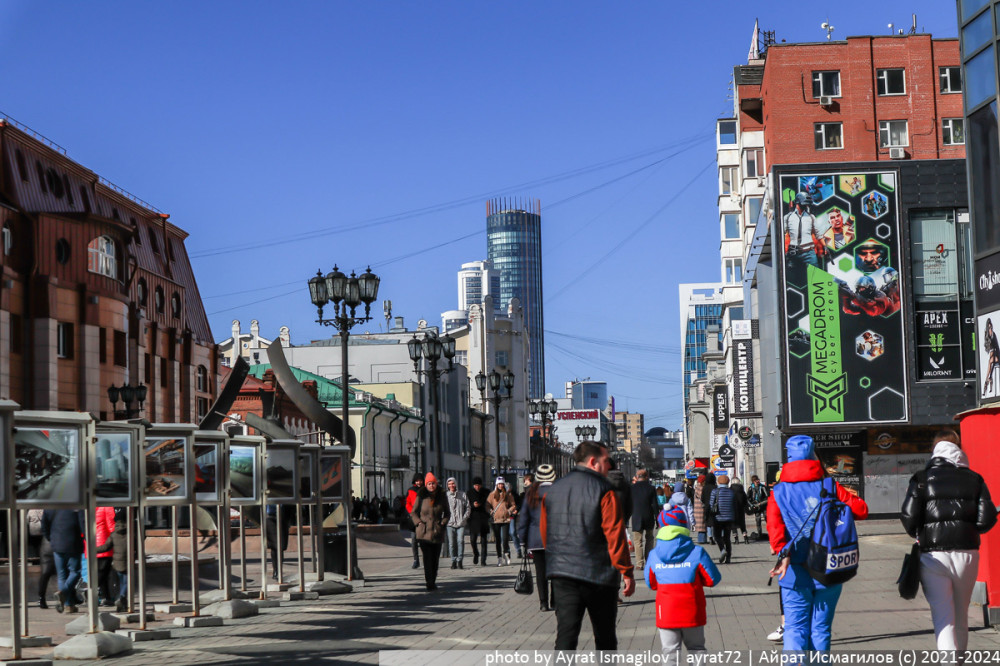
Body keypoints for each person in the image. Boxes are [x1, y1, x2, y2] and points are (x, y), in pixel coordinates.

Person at [768, 435, 869, 651]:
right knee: (821, 629)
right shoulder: (830, 485)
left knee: (795, 629)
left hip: (793, 570)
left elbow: (775, 530)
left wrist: (782, 552)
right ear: (814, 455)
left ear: (789, 458)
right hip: (828, 567)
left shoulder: (778, 492)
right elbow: (861, 510)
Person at [900, 429, 997, 652]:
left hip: (932, 556)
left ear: (935, 451)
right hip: (967, 554)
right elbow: (987, 518)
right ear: (958, 449)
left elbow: (908, 517)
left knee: (943, 618)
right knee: (961, 614)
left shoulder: (921, 479)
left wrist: (920, 533)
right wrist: (968, 529)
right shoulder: (975, 479)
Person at [541, 441, 635, 650]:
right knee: (605, 637)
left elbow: (546, 533)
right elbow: (615, 535)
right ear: (593, 462)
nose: (609, 466)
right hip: (598, 574)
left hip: (562, 574)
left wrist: (556, 558)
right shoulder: (605, 490)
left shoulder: (553, 490)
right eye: (606, 461)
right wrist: (626, 571)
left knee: (565, 636)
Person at [645, 506, 721, 662]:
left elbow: (651, 583)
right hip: (692, 610)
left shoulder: (653, 555)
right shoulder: (696, 552)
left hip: (666, 612)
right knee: (697, 650)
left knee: (670, 653)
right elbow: (713, 579)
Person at [517, 464, 556, 611]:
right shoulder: (558, 491)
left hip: (536, 538)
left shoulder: (531, 493)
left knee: (540, 572)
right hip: (554, 538)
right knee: (555, 572)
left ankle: (543, 603)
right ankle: (555, 601)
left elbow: (524, 518)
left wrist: (522, 540)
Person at [410, 472, 450, 591]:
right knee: (427, 558)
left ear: (436, 484)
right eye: (429, 484)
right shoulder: (421, 495)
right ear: (426, 485)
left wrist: (443, 522)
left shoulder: (442, 496)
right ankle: (429, 582)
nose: (431, 486)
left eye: (433, 483)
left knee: (435, 559)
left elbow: (447, 513)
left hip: (437, 531)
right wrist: (418, 522)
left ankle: (433, 579)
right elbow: (413, 512)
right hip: (424, 532)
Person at [41, 509, 85, 614]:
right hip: (73, 543)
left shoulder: (50, 506)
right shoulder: (77, 505)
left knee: (62, 575)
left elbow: (44, 526)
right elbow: (83, 525)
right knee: (75, 572)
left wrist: (51, 539)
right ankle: (63, 594)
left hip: (57, 545)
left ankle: (68, 605)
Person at [95, 508, 130, 612]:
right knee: (126, 582)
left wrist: (94, 549)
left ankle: (120, 599)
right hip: (127, 561)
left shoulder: (114, 534)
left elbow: (106, 547)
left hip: (117, 563)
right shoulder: (131, 532)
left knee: (121, 581)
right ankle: (122, 598)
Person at [784, 192, 825, 268]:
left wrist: (825, 246)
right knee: (793, 277)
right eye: (805, 203)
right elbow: (782, 235)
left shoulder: (811, 217)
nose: (806, 206)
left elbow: (818, 234)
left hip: (809, 253)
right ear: (798, 203)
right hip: (793, 253)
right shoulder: (788, 217)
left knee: (815, 275)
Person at [629, 469, 660, 571]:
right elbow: (655, 505)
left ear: (637, 477)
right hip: (648, 516)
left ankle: (639, 563)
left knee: (638, 541)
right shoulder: (651, 488)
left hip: (636, 517)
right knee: (650, 539)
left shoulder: (632, 488)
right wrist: (658, 518)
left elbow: (628, 504)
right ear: (646, 477)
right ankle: (649, 560)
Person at [27, 509, 56, 609]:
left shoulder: (48, 511)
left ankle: (41, 598)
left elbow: (43, 526)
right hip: (55, 542)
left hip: (47, 543)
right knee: (64, 572)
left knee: (45, 573)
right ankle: (69, 597)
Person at [487, 477, 516, 566]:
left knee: (505, 539)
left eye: (502, 484)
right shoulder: (492, 495)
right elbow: (487, 505)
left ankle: (506, 554)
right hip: (496, 520)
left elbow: (513, 505)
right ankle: (499, 557)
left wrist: (509, 511)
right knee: (498, 540)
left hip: (505, 519)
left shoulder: (507, 494)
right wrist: (491, 511)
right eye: (499, 484)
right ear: (496, 485)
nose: (500, 485)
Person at [710, 475, 737, 564]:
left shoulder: (715, 491)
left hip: (718, 518)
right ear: (728, 482)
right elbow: (735, 504)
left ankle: (722, 550)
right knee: (727, 538)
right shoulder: (732, 492)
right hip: (729, 518)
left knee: (717, 536)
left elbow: (711, 504)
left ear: (718, 482)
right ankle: (728, 558)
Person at [445, 477, 470, 569]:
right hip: (450, 523)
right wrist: (445, 518)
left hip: (461, 523)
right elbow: (443, 508)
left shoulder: (462, 495)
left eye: (453, 483)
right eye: (449, 484)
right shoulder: (446, 496)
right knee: (451, 543)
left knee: (460, 541)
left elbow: (468, 507)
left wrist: (464, 518)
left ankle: (460, 560)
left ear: (456, 484)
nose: (451, 486)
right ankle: (453, 560)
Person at [94, 505, 116, 606]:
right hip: (104, 542)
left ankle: (106, 597)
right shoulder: (107, 506)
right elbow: (112, 526)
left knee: (102, 572)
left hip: (93, 543)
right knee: (103, 572)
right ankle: (92, 591)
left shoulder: (91, 506)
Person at [467, 477, 490, 566]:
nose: (477, 487)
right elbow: (467, 504)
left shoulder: (486, 492)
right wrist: (473, 505)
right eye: (475, 485)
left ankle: (483, 560)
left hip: (483, 517)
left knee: (484, 541)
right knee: (473, 539)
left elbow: (488, 503)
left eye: (478, 485)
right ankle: (476, 553)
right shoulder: (469, 493)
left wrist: (481, 504)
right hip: (473, 518)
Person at [265, 504, 292, 581]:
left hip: (283, 514)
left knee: (281, 545)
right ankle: (276, 571)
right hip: (270, 515)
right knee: (274, 545)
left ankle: (278, 570)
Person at [405, 473, 423, 569]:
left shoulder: (426, 490)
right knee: (414, 540)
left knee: (424, 540)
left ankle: (426, 559)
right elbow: (407, 503)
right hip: (414, 518)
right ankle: (416, 560)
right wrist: (411, 512)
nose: (419, 482)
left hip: (424, 518)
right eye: (417, 481)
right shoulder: (411, 490)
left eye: (420, 480)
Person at [729, 477, 749, 544]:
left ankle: (736, 540)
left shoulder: (730, 490)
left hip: (732, 509)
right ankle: (746, 538)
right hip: (741, 509)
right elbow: (745, 500)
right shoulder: (741, 490)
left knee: (733, 525)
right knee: (742, 524)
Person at [984, 318, 999, 396]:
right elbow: (988, 347)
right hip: (993, 354)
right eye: (989, 328)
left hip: (997, 354)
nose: (990, 329)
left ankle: (987, 379)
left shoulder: (994, 334)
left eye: (991, 327)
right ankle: (988, 379)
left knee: (990, 362)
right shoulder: (987, 335)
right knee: (990, 362)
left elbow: (997, 348)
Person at [691, 475, 707, 543]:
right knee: (702, 526)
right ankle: (702, 540)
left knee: (701, 526)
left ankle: (702, 539)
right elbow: (703, 497)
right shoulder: (701, 488)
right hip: (701, 509)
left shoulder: (696, 487)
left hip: (697, 509)